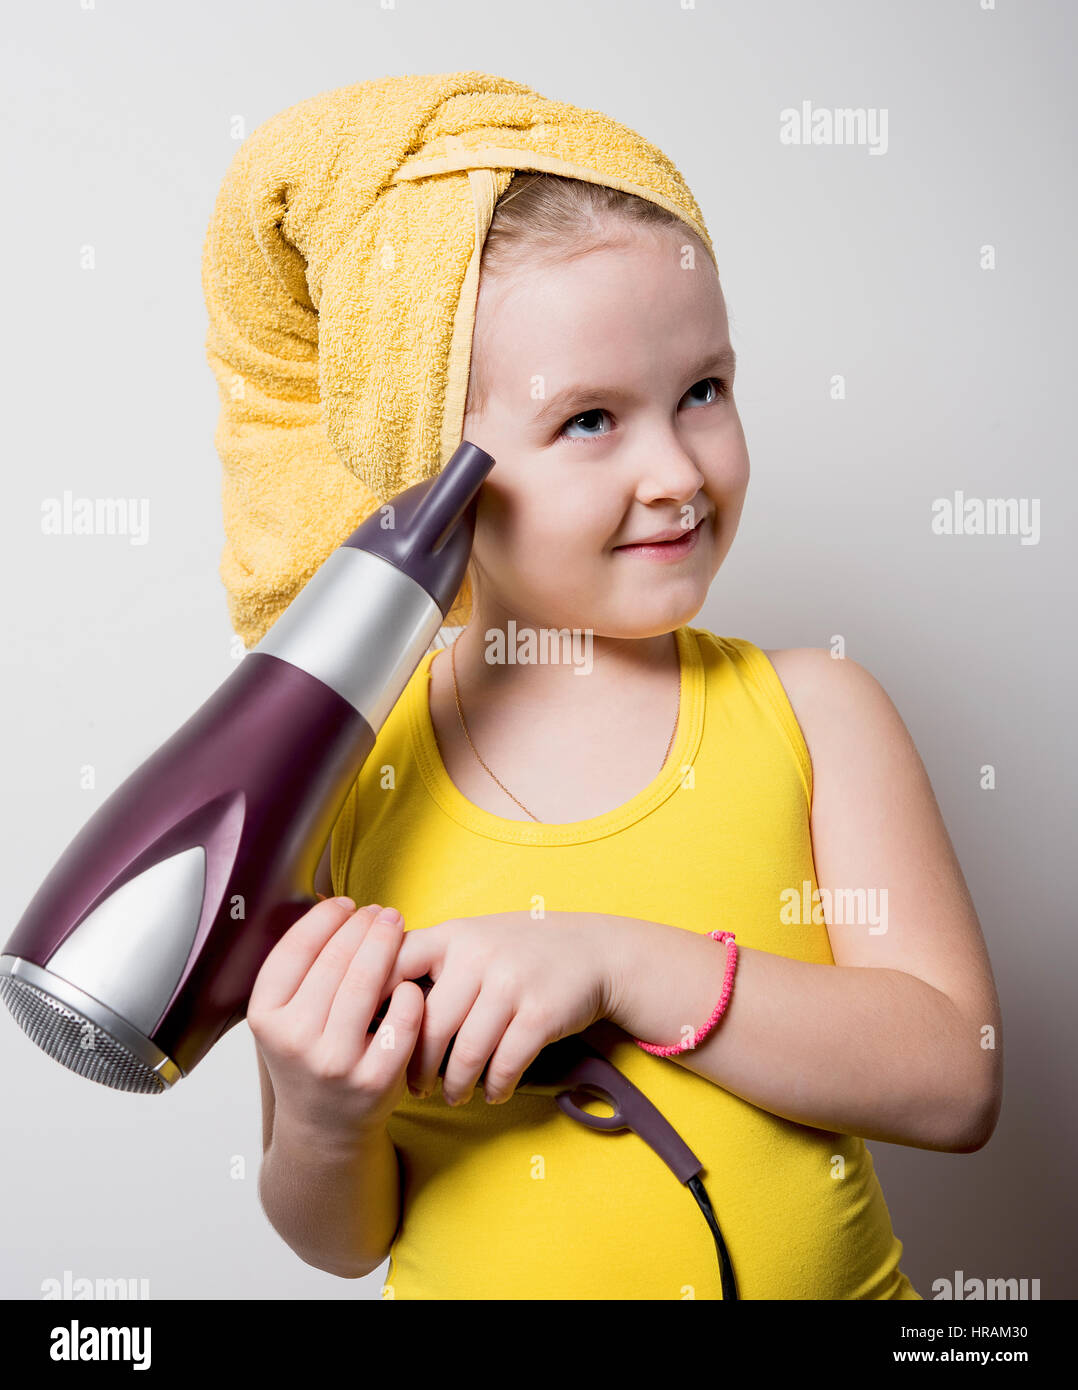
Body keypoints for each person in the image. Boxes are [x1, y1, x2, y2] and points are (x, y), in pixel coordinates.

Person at [247, 171, 1002, 1300]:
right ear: (434, 477)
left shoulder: (814, 712)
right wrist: (319, 1117)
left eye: (703, 390)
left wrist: (616, 965)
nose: (678, 474)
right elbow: (341, 1240)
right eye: (589, 419)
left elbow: (955, 1083)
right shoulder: (336, 774)